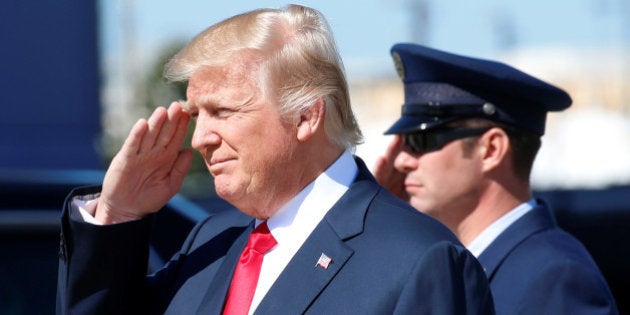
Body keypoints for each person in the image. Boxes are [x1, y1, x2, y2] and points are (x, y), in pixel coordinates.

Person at [56, 6, 494, 315]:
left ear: (306, 115)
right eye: (196, 115)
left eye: (223, 112)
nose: (202, 138)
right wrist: (118, 215)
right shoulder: (212, 239)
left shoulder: (418, 260)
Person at [374, 43, 619, 315]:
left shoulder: (555, 278)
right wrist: (388, 229)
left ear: (491, 150)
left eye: (421, 140)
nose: (401, 160)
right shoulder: (444, 267)